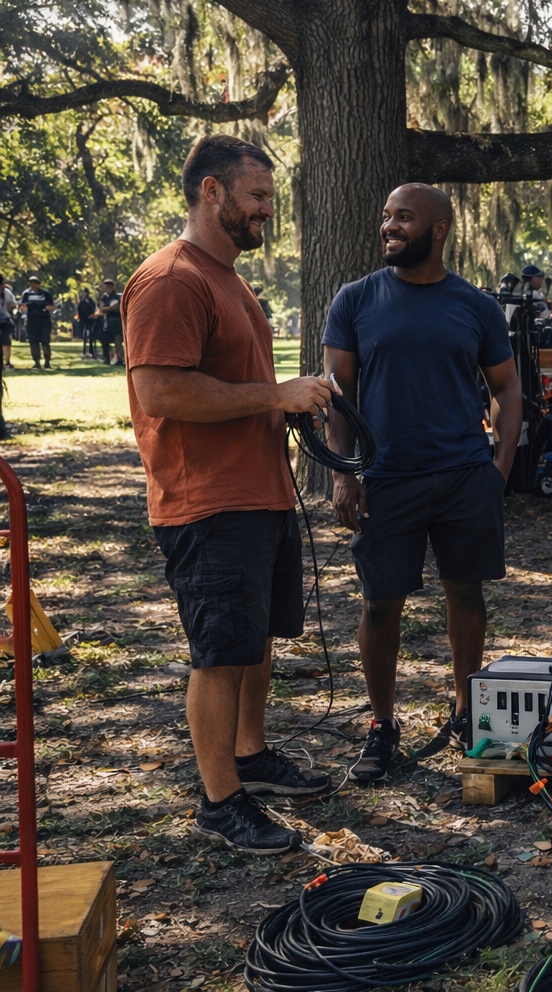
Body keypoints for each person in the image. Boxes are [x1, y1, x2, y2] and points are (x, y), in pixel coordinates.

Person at [124, 134, 334, 854]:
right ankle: (220, 802)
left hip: (259, 494)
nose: (267, 210)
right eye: (258, 197)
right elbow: (160, 391)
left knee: (253, 640)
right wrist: (275, 394)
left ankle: (250, 756)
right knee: (218, 653)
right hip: (207, 502)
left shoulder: (229, 279)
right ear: (211, 192)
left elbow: (234, 384)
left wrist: (292, 403)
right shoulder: (170, 280)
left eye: (270, 197)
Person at [324, 183, 521, 783]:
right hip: (386, 479)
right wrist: (345, 472)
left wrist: (498, 470)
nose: (389, 226)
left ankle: (466, 714)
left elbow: (508, 389)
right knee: (380, 603)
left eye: (403, 217)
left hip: (464, 477)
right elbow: (338, 396)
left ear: (438, 229)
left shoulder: (476, 306)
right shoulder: (355, 300)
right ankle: (382, 726)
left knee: (466, 593)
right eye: (386, 216)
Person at [19, 276, 53, 369]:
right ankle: (36, 362)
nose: (33, 285)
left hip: (44, 320)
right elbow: (22, 306)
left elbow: (52, 306)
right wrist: (22, 308)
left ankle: (47, 362)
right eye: (31, 283)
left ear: (38, 284)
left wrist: (46, 307)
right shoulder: (26, 294)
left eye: (35, 282)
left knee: (45, 341)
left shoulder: (45, 294)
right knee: (33, 342)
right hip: (32, 320)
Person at [97, 278, 123, 366]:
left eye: (110, 285)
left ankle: (119, 357)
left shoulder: (118, 296)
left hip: (117, 321)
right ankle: (107, 358)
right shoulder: (104, 297)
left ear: (114, 286)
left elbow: (117, 307)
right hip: (107, 322)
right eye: (106, 285)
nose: (108, 287)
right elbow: (101, 308)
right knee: (103, 338)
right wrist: (107, 309)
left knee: (117, 338)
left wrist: (105, 309)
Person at [77, 286, 98, 359]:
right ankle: (86, 351)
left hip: (92, 320)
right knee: (86, 334)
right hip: (85, 321)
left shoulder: (91, 301)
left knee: (92, 333)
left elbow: (94, 309)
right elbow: (80, 313)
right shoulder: (81, 303)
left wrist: (92, 316)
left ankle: (92, 350)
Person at [0, 275, 14, 368]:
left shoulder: (6, 292)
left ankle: (7, 362)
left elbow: (13, 304)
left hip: (5, 319)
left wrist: (10, 308)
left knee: (6, 340)